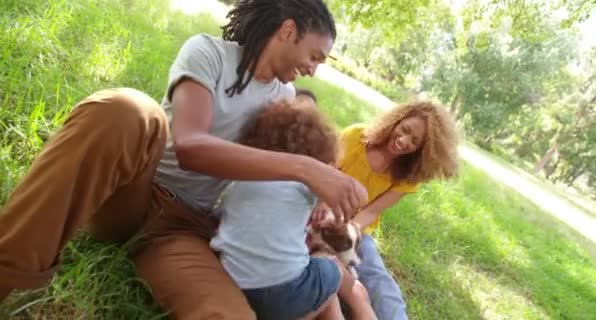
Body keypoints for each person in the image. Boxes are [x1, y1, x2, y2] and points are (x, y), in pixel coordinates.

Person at [0, 0, 368, 318]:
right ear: (288, 30)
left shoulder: (284, 96)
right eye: (314, 56)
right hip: (133, 192)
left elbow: (270, 181)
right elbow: (191, 146)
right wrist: (306, 169)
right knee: (127, 110)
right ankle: (9, 272)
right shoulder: (208, 53)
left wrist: (317, 198)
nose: (314, 70)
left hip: (183, 228)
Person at [210, 99, 375, 320]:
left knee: (326, 296)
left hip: (234, 283)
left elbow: (225, 217)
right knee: (331, 270)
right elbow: (360, 195)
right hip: (283, 294)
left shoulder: (240, 179)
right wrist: (325, 181)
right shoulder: (306, 185)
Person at [312, 100, 459, 320]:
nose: (404, 140)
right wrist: (324, 207)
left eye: (415, 142)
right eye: (405, 130)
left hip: (356, 228)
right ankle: (348, 292)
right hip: (321, 208)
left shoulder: (408, 175)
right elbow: (326, 173)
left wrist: (350, 230)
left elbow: (372, 212)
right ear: (396, 120)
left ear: (422, 150)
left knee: (376, 274)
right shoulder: (356, 137)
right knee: (329, 261)